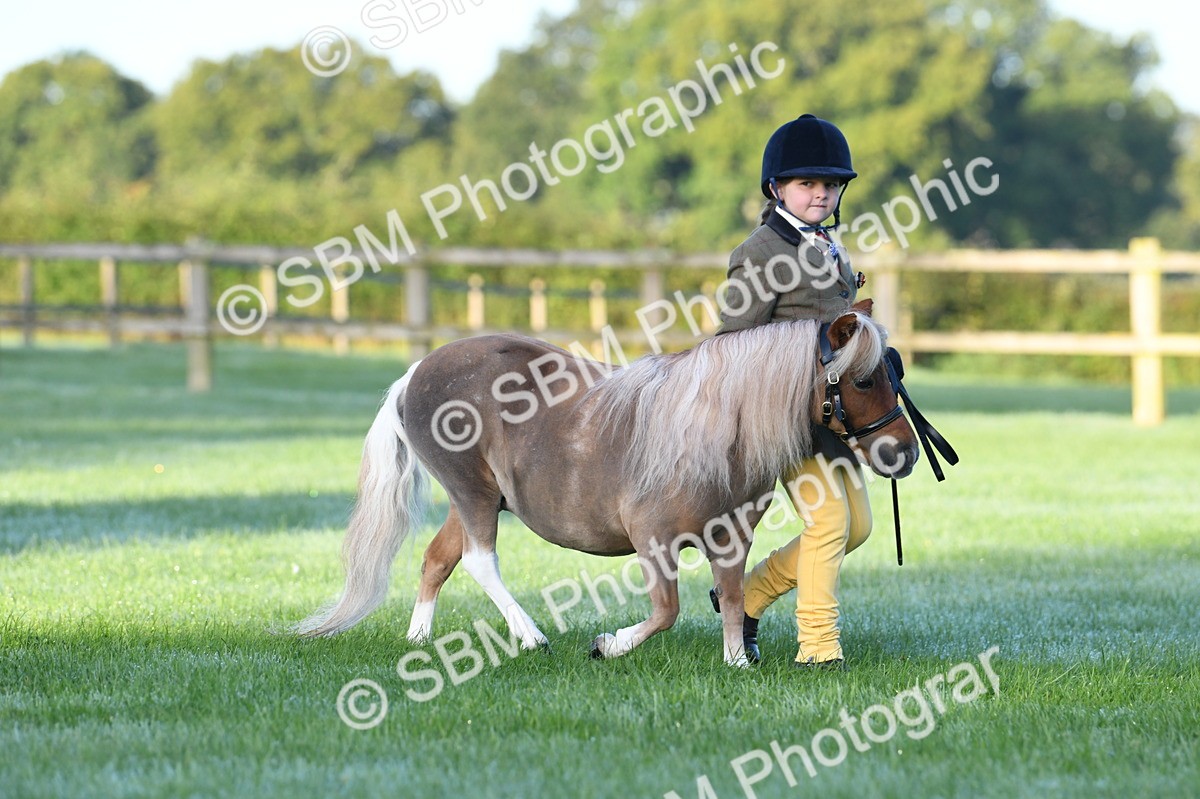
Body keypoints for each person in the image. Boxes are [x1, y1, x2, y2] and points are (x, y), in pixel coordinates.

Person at [713, 113, 870, 670]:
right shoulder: (758, 253)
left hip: (836, 414)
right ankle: (819, 649)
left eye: (830, 185)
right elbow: (732, 345)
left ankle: (749, 598)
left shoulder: (829, 244)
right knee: (828, 523)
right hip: (785, 418)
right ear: (777, 188)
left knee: (858, 529)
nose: (821, 194)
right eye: (807, 184)